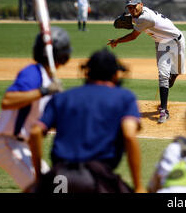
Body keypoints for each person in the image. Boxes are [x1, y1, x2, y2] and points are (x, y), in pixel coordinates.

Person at [28, 49, 145, 193]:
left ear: (87, 72)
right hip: (97, 177)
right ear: (115, 74)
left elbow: (35, 132)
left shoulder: (62, 97)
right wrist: (139, 186)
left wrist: (40, 178)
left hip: (60, 177)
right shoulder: (124, 97)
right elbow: (129, 135)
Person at [0, 27, 71, 191]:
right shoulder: (33, 73)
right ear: (62, 56)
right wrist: (44, 91)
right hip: (9, 144)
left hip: (25, 147)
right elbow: (7, 101)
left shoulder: (48, 80)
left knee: (59, 188)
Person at [107, 0, 186, 124]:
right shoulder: (138, 16)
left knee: (176, 72)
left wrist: (117, 40)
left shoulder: (146, 18)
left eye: (134, 6)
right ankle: (164, 110)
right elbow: (134, 19)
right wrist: (131, 19)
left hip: (176, 42)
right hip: (161, 43)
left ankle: (173, 75)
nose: (132, 10)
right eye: (129, 8)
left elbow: (133, 36)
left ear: (141, 5)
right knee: (163, 75)